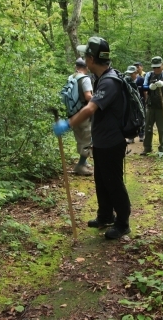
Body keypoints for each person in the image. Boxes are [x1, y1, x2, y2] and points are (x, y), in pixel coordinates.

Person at [53, 37, 131, 240]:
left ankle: (122, 223)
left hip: (112, 142)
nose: (83, 58)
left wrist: (68, 124)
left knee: (113, 182)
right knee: (101, 180)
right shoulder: (101, 78)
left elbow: (90, 108)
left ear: (91, 58)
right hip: (102, 141)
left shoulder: (109, 81)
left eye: (85, 55)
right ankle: (105, 215)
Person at [140, 56, 163, 157]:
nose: (156, 69)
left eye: (158, 67)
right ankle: (147, 148)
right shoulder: (149, 75)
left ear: (162, 65)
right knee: (148, 127)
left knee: (162, 128)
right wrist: (150, 87)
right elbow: (144, 87)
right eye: (154, 67)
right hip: (150, 106)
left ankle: (162, 149)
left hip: (162, 106)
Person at [69, 58, 93, 176]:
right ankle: (80, 166)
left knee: (80, 138)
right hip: (83, 113)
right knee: (87, 140)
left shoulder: (72, 77)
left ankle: (84, 162)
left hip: (73, 113)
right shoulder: (85, 79)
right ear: (86, 67)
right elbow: (88, 96)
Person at [124, 65, 144, 144]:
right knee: (131, 119)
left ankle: (141, 134)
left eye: (131, 73)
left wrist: (144, 100)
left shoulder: (140, 79)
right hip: (130, 104)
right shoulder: (126, 80)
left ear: (136, 73)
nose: (130, 75)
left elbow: (144, 91)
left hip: (140, 102)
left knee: (141, 118)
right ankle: (131, 137)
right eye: (129, 73)